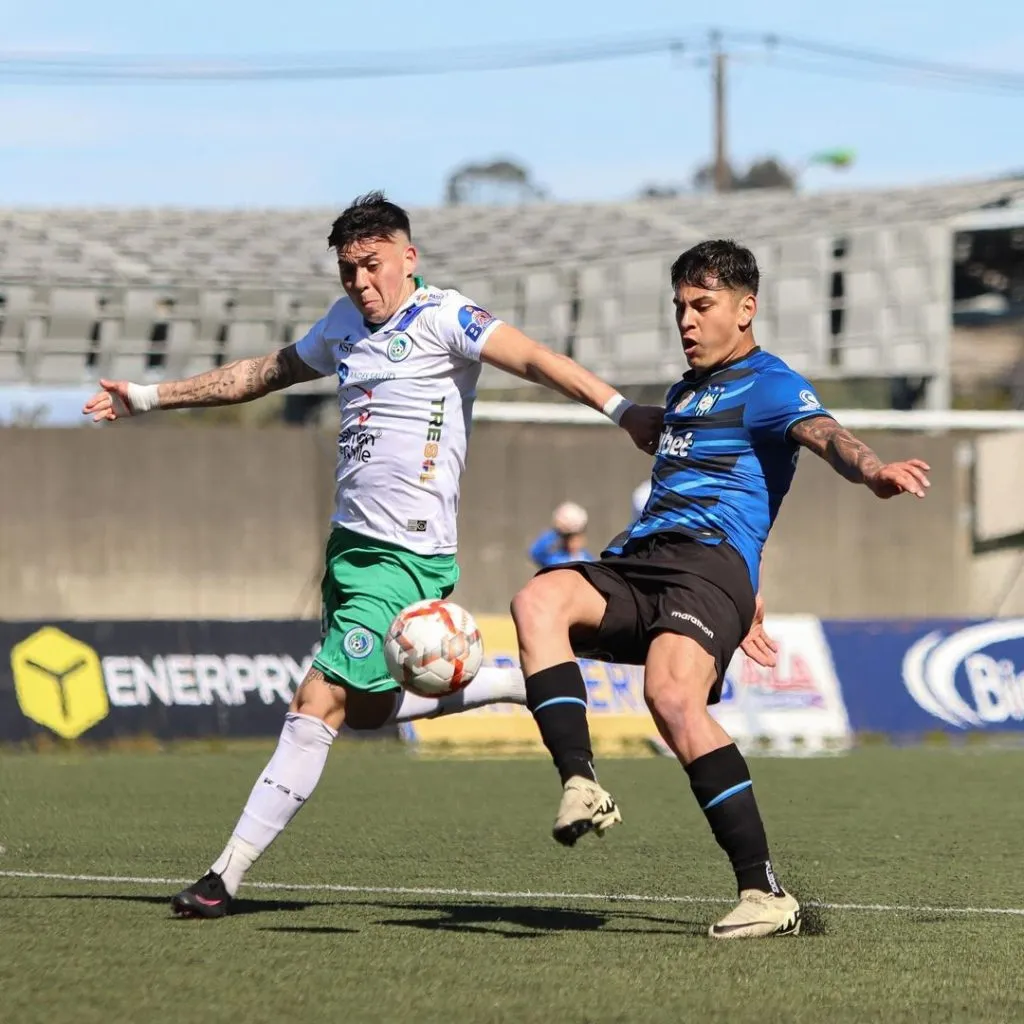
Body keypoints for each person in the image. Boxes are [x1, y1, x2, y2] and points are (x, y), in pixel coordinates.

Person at [82, 191, 663, 917]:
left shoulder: (447, 318)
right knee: (364, 711)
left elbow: (538, 359)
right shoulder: (340, 328)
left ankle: (222, 878)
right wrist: (146, 396)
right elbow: (260, 374)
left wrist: (622, 410)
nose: (360, 281)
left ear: (407, 258)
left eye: (372, 264)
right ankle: (512, 682)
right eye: (348, 269)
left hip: (404, 557)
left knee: (317, 699)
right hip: (350, 550)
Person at [510, 239, 931, 940]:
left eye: (702, 306)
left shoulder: (769, 384)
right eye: (679, 306)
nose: (687, 321)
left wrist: (873, 471)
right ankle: (581, 782)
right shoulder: (683, 392)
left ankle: (763, 891)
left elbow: (826, 434)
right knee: (537, 599)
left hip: (708, 569)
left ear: (746, 309)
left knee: (671, 697)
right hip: (642, 560)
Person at [529, 501, 595, 568]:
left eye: (578, 536)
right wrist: (556, 532)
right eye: (569, 537)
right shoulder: (556, 559)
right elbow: (535, 552)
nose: (575, 542)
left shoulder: (586, 558)